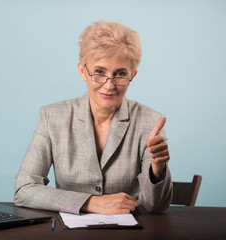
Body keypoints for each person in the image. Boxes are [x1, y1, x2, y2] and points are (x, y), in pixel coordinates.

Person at [14, 20, 172, 215]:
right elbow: (24, 189)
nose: (109, 85)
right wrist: (92, 203)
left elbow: (156, 206)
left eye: (120, 74)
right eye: (99, 72)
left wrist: (158, 168)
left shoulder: (151, 122)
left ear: (133, 76)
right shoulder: (52, 117)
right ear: (82, 71)